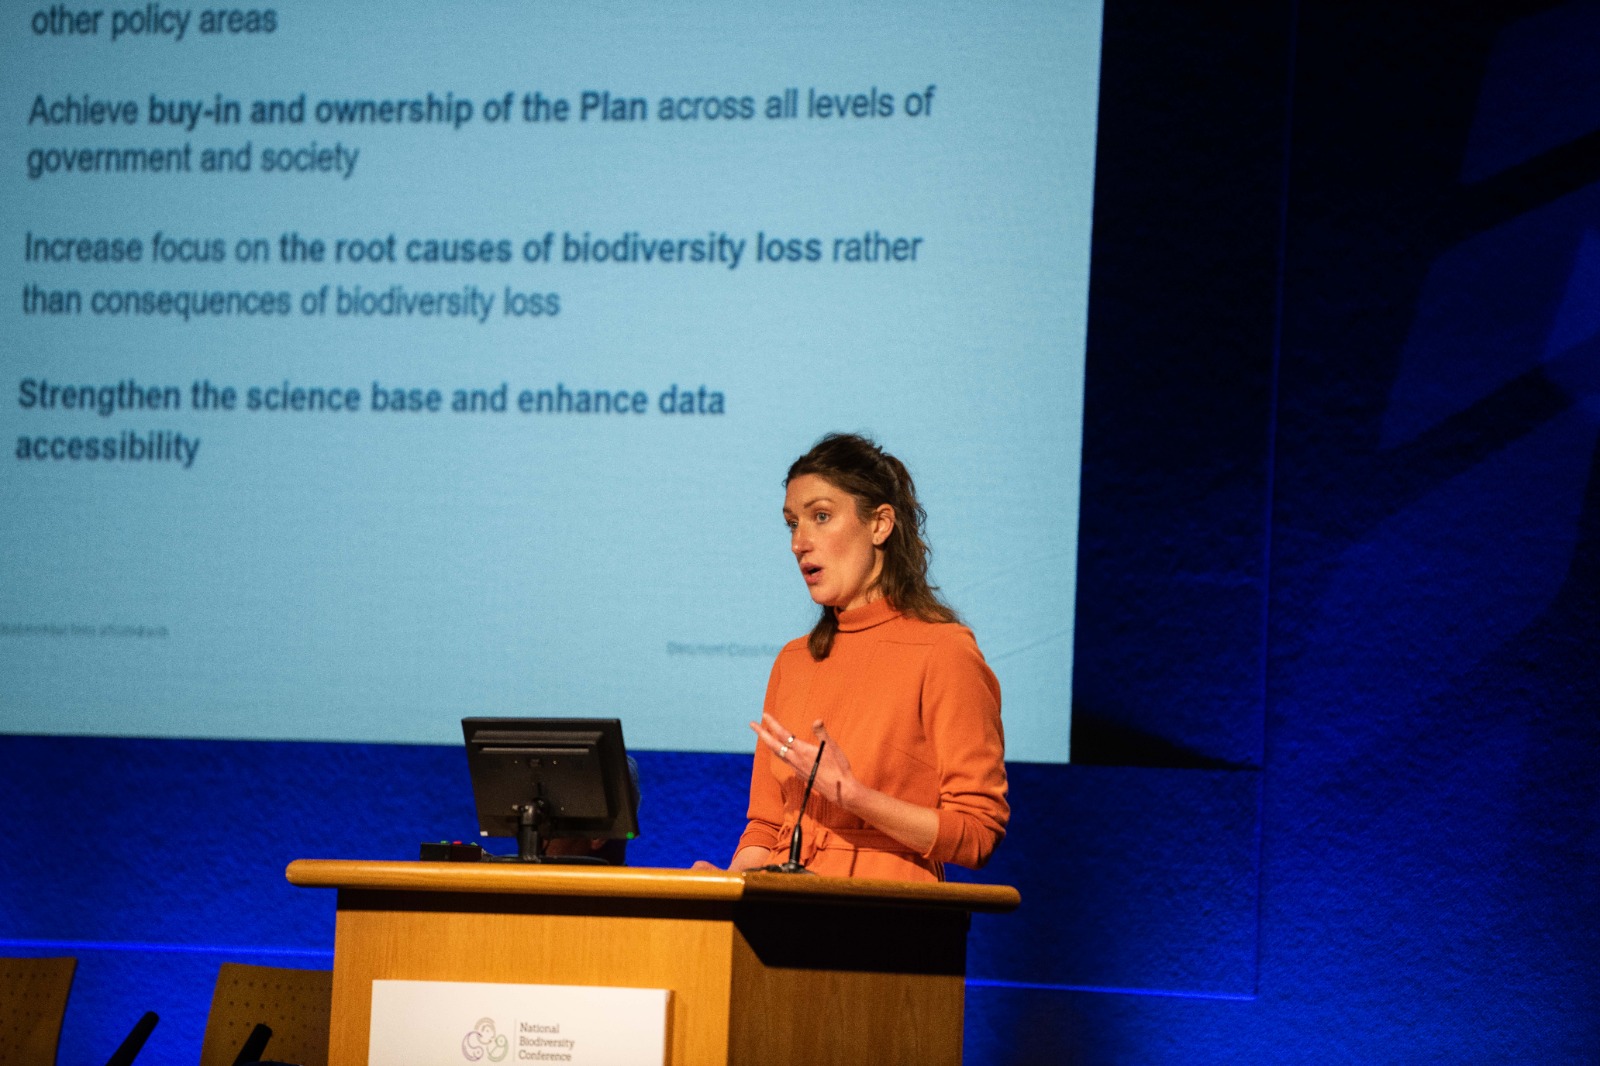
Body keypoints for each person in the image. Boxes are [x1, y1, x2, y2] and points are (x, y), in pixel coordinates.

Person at [701, 432, 1008, 881]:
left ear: (880, 524)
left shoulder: (944, 650)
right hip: (781, 913)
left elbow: (978, 833)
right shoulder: (794, 660)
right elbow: (767, 825)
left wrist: (853, 796)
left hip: (885, 914)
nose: (798, 543)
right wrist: (732, 878)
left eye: (821, 516)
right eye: (792, 523)